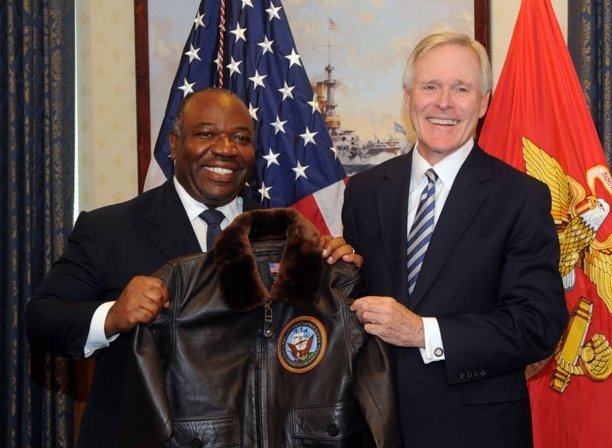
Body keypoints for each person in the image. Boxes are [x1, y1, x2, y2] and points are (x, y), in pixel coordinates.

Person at [26, 88, 361, 448]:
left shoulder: (285, 232)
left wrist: (337, 270)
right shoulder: (108, 230)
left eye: (241, 138)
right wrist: (112, 316)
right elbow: (42, 319)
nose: (226, 149)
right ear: (174, 144)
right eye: (206, 134)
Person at [342, 32, 568, 447]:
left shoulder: (521, 197)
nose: (444, 103)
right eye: (430, 86)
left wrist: (423, 332)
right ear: (408, 96)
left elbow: (538, 325)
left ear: (482, 103)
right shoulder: (364, 191)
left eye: (461, 89)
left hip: (478, 433)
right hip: (375, 430)